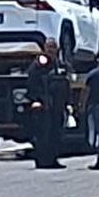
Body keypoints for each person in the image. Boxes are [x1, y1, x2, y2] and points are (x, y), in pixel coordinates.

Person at [26, 41, 71, 169]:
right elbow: (31, 82)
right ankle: (42, 160)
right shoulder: (40, 64)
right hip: (44, 105)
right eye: (49, 47)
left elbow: (66, 84)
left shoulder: (61, 65)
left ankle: (53, 159)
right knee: (43, 134)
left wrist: (68, 102)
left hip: (58, 105)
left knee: (56, 133)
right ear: (45, 48)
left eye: (54, 47)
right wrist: (35, 99)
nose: (51, 50)